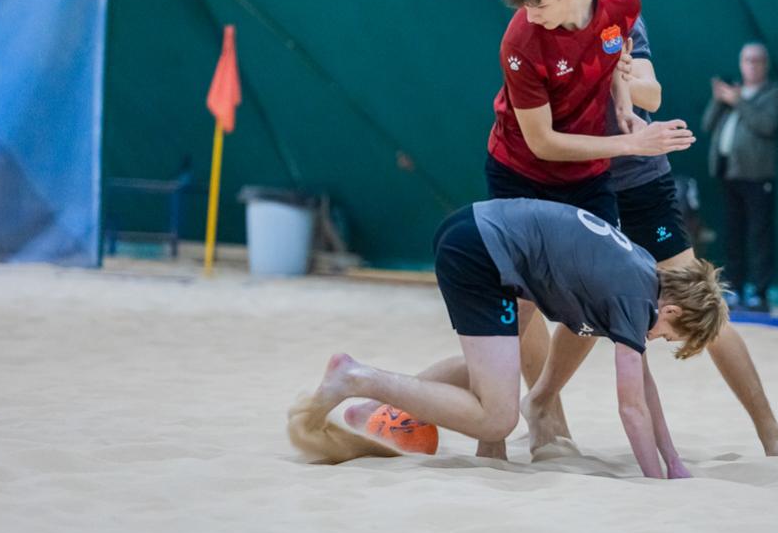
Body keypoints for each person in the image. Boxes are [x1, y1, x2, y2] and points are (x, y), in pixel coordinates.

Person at [520, 20, 778, 458]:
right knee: (578, 299)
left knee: (702, 299)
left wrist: (617, 77)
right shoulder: (539, 21)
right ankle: (539, 408)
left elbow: (651, 96)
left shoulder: (618, 12)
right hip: (579, 179)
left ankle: (771, 431)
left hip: (640, 180)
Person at [304, 198, 727, 479]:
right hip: (482, 252)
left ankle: (373, 410)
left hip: (482, 233)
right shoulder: (635, 299)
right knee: (497, 416)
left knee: (493, 374)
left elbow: (644, 388)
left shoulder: (645, 274)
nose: (659, 340)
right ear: (672, 312)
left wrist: (673, 461)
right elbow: (631, 407)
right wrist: (656, 481)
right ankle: (357, 378)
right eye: (669, 337)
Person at [485, 0, 694, 438]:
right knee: (515, 315)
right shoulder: (520, 39)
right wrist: (632, 142)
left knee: (599, 296)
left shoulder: (623, 1)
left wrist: (624, 106)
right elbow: (544, 143)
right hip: (521, 171)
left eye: (540, 3)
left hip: (586, 174)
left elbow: (616, 58)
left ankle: (539, 402)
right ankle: (485, 430)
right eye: (524, 4)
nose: (530, 12)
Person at [702, 43, 778, 311]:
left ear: (765, 65)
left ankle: (759, 292)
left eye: (756, 61)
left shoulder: (773, 93)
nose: (751, 65)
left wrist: (738, 101)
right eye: (747, 60)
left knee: (759, 234)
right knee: (733, 234)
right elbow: (707, 124)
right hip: (729, 173)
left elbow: (767, 125)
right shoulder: (733, 92)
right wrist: (719, 98)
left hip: (757, 175)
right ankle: (734, 288)